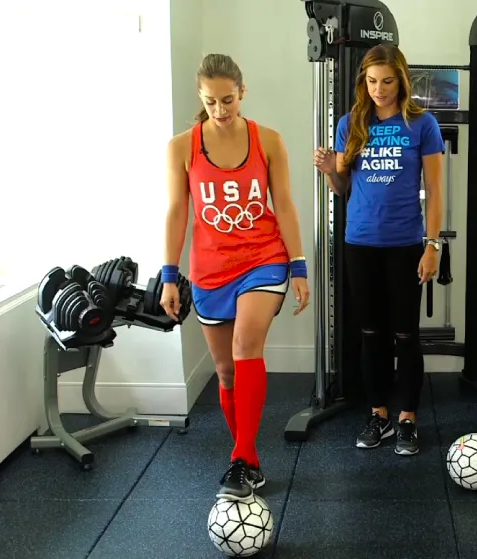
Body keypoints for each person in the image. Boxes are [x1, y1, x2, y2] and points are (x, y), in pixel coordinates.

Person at [161, 53, 310, 501]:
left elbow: (283, 203)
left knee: (247, 345)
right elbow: (176, 212)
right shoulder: (181, 147)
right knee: (225, 372)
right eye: (211, 102)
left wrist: (299, 266)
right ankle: (249, 459)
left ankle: (240, 459)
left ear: (242, 93)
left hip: (263, 259)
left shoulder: (268, 141)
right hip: (209, 269)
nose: (221, 110)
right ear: (200, 98)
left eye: (228, 100)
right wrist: (170, 275)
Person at [313, 44, 445, 456]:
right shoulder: (350, 123)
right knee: (370, 334)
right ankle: (379, 415)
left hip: (405, 244)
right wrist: (328, 173)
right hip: (360, 243)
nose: (379, 89)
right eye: (372, 81)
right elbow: (344, 188)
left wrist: (433, 245)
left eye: (387, 81)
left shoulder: (422, 124)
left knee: (405, 334)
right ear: (363, 82)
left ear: (401, 80)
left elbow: (436, 191)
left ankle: (408, 418)